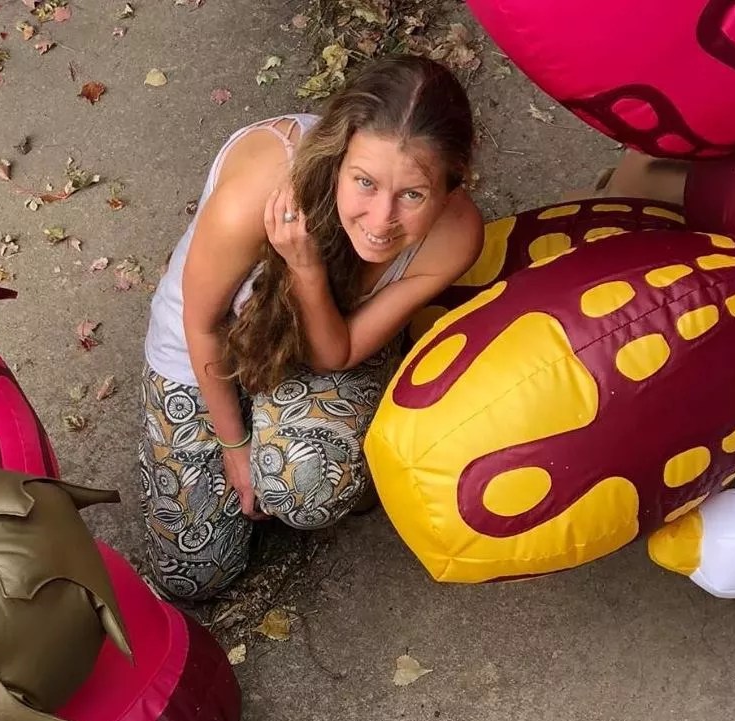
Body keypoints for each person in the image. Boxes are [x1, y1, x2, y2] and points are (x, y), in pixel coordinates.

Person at [139, 55, 484, 601]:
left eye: (413, 194)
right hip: (207, 348)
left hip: (324, 341)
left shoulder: (456, 234)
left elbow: (333, 354)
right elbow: (201, 325)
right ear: (340, 155)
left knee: (307, 487)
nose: (381, 221)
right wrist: (235, 447)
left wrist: (305, 269)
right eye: (365, 183)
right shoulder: (258, 194)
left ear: (451, 185)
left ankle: (343, 445)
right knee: (194, 577)